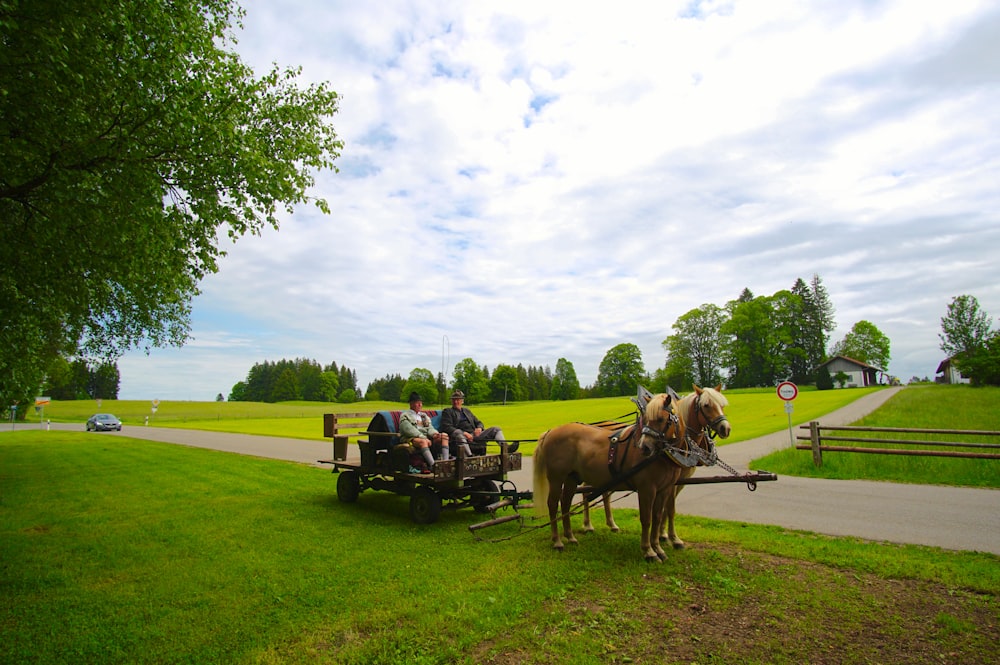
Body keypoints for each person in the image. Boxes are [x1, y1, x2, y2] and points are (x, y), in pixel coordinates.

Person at [439, 390, 517, 456]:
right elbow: (447, 427)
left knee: (496, 429)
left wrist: (479, 428)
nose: (456, 401)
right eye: (454, 400)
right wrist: (464, 433)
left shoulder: (467, 411)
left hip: (474, 436)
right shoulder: (447, 411)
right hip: (460, 437)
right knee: (458, 434)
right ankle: (470, 456)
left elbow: (478, 422)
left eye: (458, 399)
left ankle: (506, 448)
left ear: (462, 401)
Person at [399, 392, 449, 471]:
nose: (420, 405)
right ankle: (433, 466)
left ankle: (446, 464)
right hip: (410, 438)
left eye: (421, 403)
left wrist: (435, 434)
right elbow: (408, 430)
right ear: (411, 404)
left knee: (444, 436)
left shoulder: (423, 416)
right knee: (423, 442)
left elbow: (429, 428)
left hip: (426, 437)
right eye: (417, 403)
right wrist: (422, 437)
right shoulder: (405, 415)